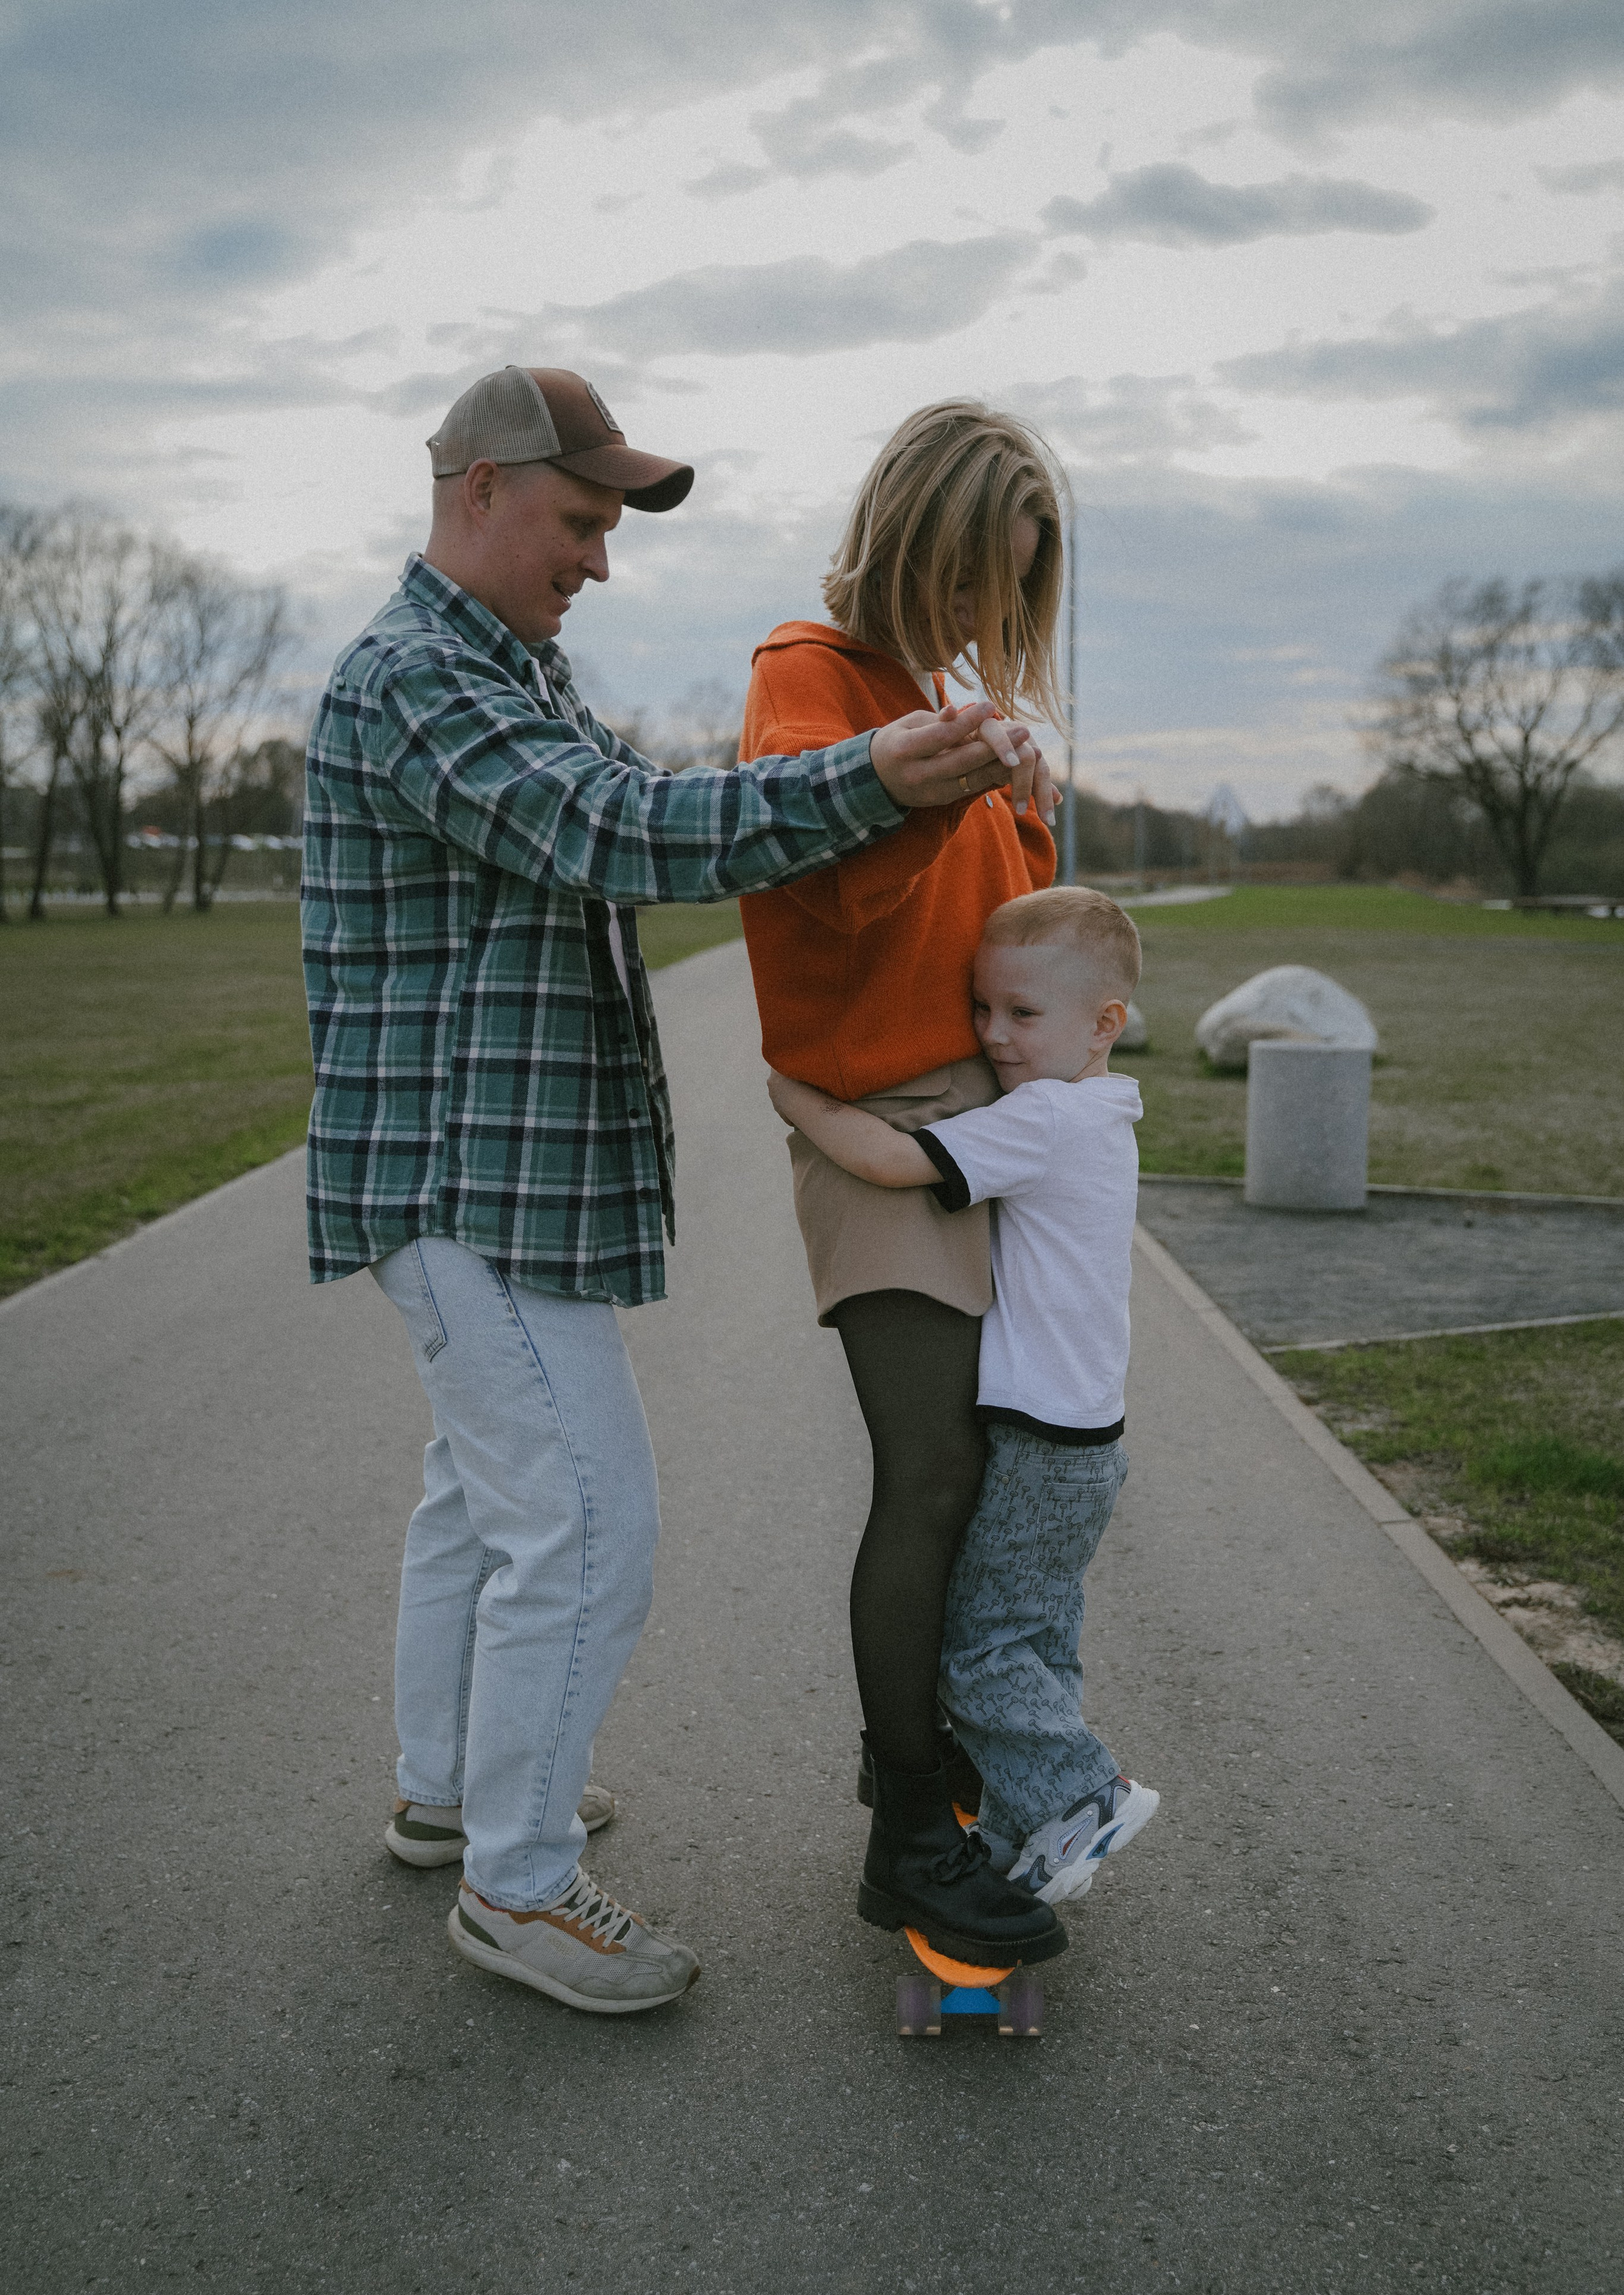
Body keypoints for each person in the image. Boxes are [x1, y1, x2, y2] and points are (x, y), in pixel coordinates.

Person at [301, 363, 1035, 2015]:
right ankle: (522, 1882)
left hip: (507, 1184)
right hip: (460, 1176)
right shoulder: (422, 678)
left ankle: (449, 1790)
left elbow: (636, 809)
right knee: (587, 1522)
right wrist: (876, 778)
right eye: (578, 521)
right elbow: (625, 829)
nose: (599, 559)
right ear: (478, 488)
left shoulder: (510, 668)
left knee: (475, 1499)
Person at [739, 400, 1073, 1969]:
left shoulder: (935, 696)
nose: (976, 623)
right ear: (906, 536)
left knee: (984, 1476)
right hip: (878, 1125)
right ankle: (904, 1835)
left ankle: (920, 1782)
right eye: (960, 583)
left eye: (1002, 596)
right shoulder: (806, 671)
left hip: (977, 1131)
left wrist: (1021, 811)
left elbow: (995, 934)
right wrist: (928, 782)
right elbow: (812, 880)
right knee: (927, 1472)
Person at [768, 887, 1160, 1907]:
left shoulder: (1042, 1118)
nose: (993, 1035)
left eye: (1023, 1016)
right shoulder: (1106, 1109)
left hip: (1038, 1443)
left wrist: (799, 1094)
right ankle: (1032, 1824)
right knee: (1034, 1637)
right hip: (1086, 1440)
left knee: (977, 1651)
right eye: (985, 1009)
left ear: (1104, 1023)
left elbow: (898, 1160)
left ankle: (1085, 1793)